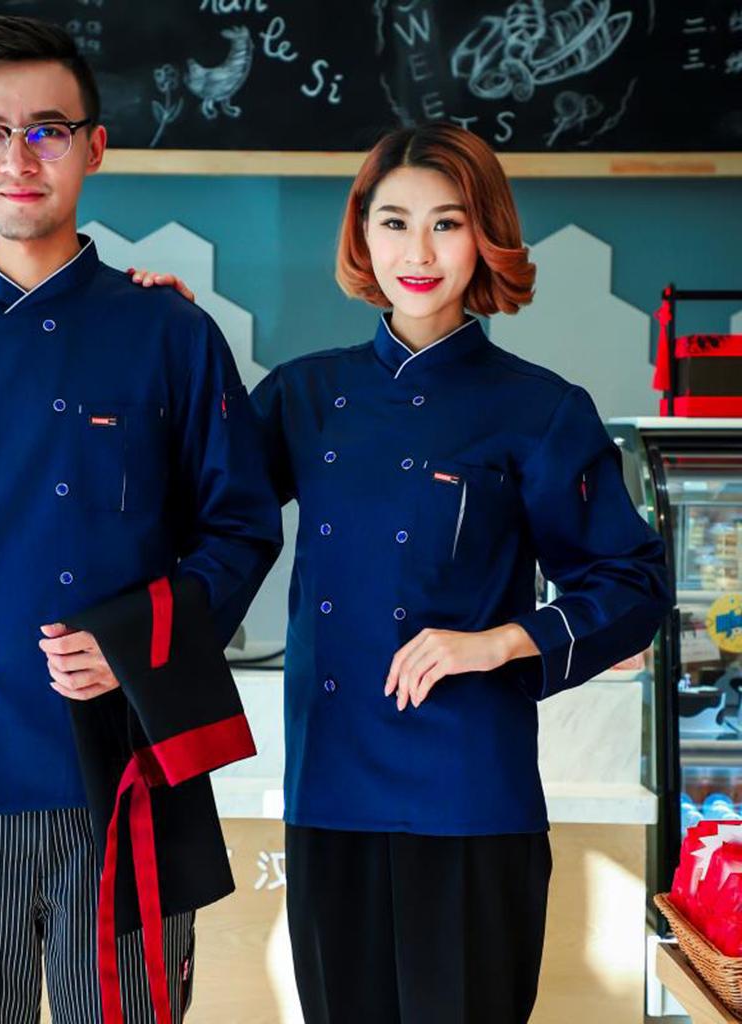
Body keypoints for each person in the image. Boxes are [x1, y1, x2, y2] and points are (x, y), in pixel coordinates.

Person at [130, 122, 672, 1024]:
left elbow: (633, 584)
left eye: (446, 223)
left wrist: (498, 641)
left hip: (471, 791)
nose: (417, 252)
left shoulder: (540, 410)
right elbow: (197, 503)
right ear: (363, 236)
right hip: (329, 784)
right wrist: (173, 339)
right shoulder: (306, 394)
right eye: (394, 223)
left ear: (485, 235)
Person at [0, 15, 281, 1024]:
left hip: (124, 767)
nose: (18, 159)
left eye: (47, 131)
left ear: (94, 146)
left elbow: (241, 525)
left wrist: (136, 645)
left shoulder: (169, 332)